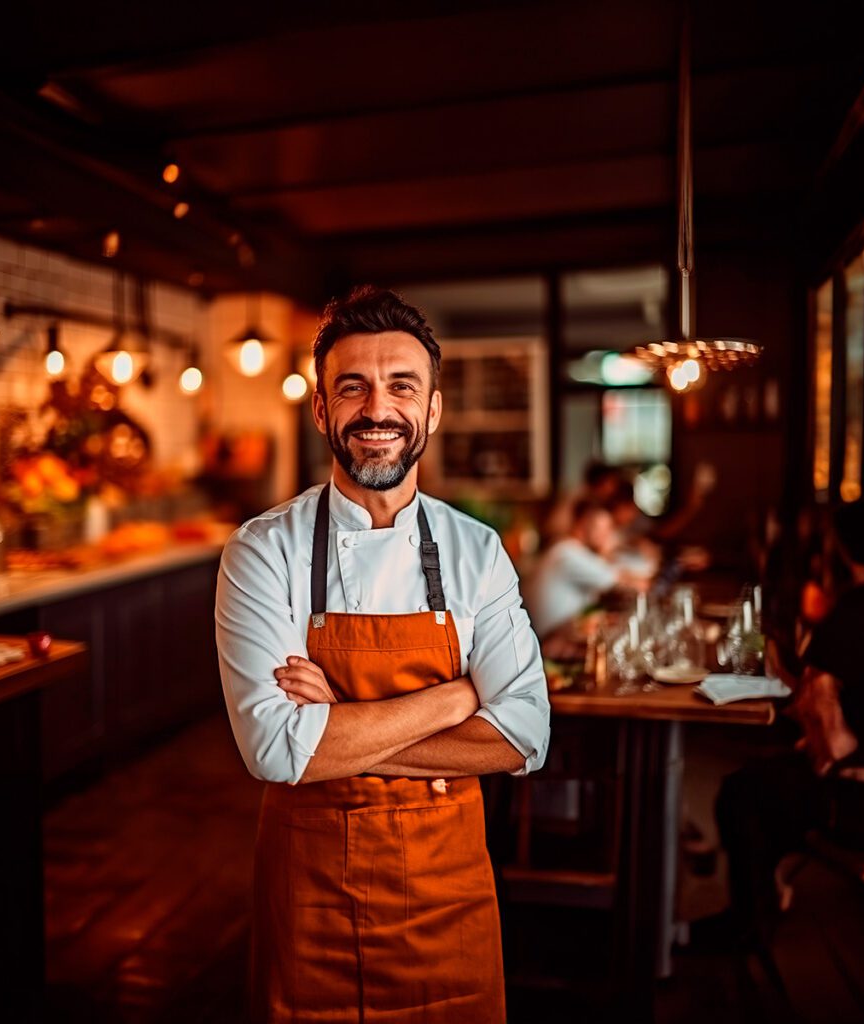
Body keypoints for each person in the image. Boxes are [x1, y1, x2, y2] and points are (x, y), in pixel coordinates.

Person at [215, 286, 551, 1024]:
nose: (377, 410)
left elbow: (526, 734)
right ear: (322, 409)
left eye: (402, 386)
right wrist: (457, 697)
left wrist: (341, 723)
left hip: (447, 894)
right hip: (310, 903)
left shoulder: (476, 551)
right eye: (352, 387)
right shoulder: (261, 551)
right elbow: (276, 752)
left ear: (431, 410)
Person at [714, 500, 864, 945]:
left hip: (858, 799)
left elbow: (812, 708)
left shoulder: (854, 612)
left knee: (742, 793)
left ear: (843, 549)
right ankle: (772, 892)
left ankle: (749, 922)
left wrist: (769, 664)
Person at [524, 499, 650, 638]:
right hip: (550, 641)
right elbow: (624, 582)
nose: (607, 536)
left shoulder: (564, 549)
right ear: (583, 524)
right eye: (603, 529)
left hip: (553, 634)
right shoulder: (569, 553)